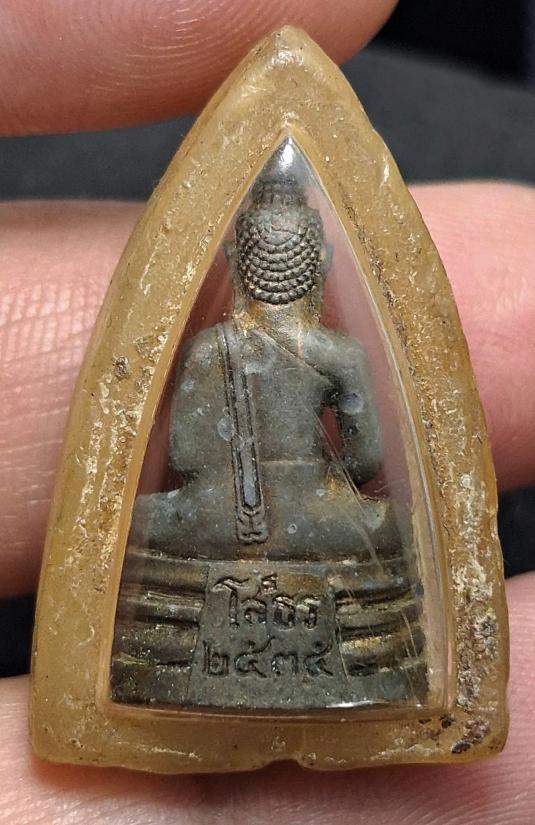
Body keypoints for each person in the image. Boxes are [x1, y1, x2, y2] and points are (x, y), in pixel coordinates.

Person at [0, 1, 534, 822]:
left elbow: (183, 456)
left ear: (243, 265)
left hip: (207, 521)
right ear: (313, 266)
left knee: (139, 522)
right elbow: (367, 463)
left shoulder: (208, 350)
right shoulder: (336, 353)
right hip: (320, 525)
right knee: (389, 526)